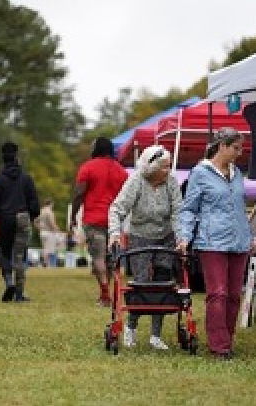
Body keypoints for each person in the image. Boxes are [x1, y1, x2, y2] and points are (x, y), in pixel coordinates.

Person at [176, 127, 253, 360]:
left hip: (238, 241)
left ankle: (227, 340)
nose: (239, 153)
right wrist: (184, 237)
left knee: (233, 295)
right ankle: (219, 346)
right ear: (222, 146)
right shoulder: (200, 173)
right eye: (236, 148)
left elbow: (239, 208)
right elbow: (189, 209)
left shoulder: (238, 173)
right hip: (212, 242)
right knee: (217, 293)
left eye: (241, 148)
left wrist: (249, 236)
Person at [108, 145, 182, 350]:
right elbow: (117, 209)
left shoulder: (172, 182)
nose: (169, 170)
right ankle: (131, 328)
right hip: (140, 236)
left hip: (166, 237)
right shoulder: (136, 181)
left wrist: (181, 238)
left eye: (169, 166)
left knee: (162, 283)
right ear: (152, 169)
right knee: (141, 283)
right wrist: (114, 233)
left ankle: (155, 336)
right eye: (165, 167)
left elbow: (178, 212)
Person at [70, 137, 128, 306]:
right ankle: (106, 291)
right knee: (109, 259)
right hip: (114, 220)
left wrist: (73, 215)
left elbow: (79, 192)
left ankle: (104, 294)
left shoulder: (88, 167)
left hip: (93, 219)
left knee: (98, 257)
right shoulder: (121, 171)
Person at [0, 142, 40, 302]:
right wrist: (31, 215)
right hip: (23, 216)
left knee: (4, 252)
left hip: (5, 218)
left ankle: (8, 281)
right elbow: (34, 202)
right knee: (19, 255)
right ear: (17, 157)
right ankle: (19, 293)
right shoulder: (26, 178)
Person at [36, 199, 60, 267]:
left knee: (45, 248)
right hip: (49, 232)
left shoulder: (40, 211)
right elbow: (52, 222)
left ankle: (45, 262)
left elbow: (35, 221)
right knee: (49, 250)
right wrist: (56, 230)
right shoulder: (49, 212)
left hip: (42, 232)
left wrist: (39, 228)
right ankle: (45, 263)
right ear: (51, 204)